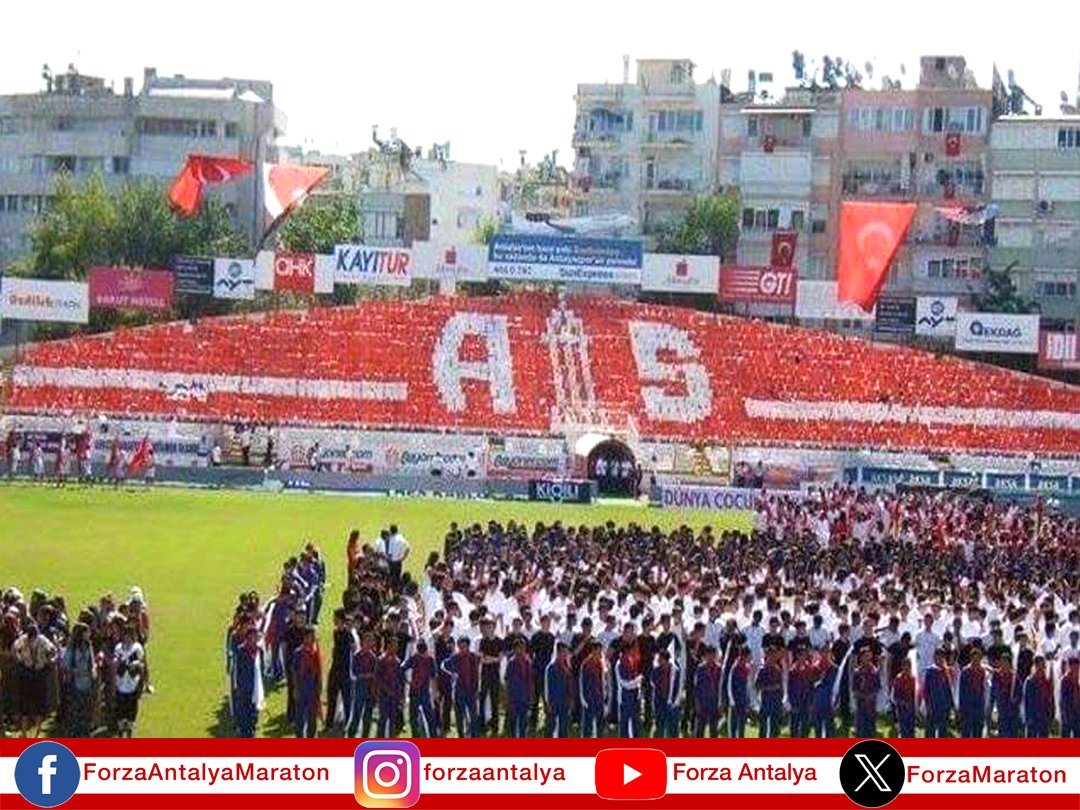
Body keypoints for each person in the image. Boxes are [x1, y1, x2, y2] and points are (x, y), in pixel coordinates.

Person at [12, 623, 57, 737]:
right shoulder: (23, 640)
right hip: (26, 673)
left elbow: (53, 651)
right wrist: (20, 659)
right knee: (24, 704)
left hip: (39, 673)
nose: (32, 639)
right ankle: (23, 732)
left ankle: (37, 733)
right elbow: (14, 649)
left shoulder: (42, 640)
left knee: (39, 704)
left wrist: (49, 661)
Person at [62, 623, 98, 737]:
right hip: (75, 683)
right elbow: (65, 665)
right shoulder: (71, 648)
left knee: (86, 710)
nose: (89, 634)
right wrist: (74, 671)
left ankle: (85, 733)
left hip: (87, 682)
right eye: (87, 632)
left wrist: (93, 670)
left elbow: (92, 662)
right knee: (75, 711)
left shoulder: (88, 646)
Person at [324, 609, 356, 733]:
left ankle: (349, 723)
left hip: (345, 671)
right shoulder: (336, 633)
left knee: (347, 699)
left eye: (335, 618)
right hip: (335, 668)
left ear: (341, 619)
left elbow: (352, 653)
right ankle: (329, 723)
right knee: (331, 696)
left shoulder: (349, 635)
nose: (333, 620)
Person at [443, 637, 480, 738]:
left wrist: (476, 690)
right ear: (458, 647)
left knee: (473, 716)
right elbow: (443, 665)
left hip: (471, 690)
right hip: (459, 690)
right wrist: (451, 673)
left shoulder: (473, 657)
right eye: (461, 646)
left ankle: (474, 736)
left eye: (465, 646)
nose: (463, 648)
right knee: (459, 715)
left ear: (468, 646)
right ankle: (461, 735)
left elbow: (476, 674)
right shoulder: (455, 657)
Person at [229, 625, 263, 738]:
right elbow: (237, 671)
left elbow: (260, 671)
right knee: (244, 714)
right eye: (253, 636)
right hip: (244, 688)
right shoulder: (241, 650)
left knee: (253, 713)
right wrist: (238, 687)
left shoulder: (259, 651)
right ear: (247, 637)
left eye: (256, 636)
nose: (255, 639)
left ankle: (251, 731)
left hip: (255, 688)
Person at [113, 623, 145, 738]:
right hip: (121, 683)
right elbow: (115, 662)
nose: (127, 637)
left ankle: (130, 729)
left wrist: (135, 666)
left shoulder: (137, 647)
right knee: (121, 708)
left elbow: (141, 664)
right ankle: (121, 729)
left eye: (129, 635)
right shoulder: (119, 647)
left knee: (132, 707)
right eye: (125, 635)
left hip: (132, 682)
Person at [290, 626, 323, 738]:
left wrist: (319, 687)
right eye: (311, 636)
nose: (313, 638)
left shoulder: (315, 652)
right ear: (305, 637)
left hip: (312, 689)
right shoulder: (298, 652)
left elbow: (319, 671)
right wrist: (295, 688)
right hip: (301, 688)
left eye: (314, 636)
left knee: (312, 718)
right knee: (299, 718)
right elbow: (294, 672)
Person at [404, 639, 439, 738]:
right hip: (421, 691)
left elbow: (402, 668)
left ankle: (421, 736)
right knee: (428, 717)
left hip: (419, 690)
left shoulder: (416, 658)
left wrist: (408, 681)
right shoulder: (429, 659)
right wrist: (435, 692)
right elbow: (434, 677)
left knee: (418, 717)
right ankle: (431, 736)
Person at [347, 632, 378, 738]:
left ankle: (365, 736)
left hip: (370, 690)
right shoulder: (357, 656)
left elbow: (375, 674)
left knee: (368, 716)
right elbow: (354, 673)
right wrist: (365, 676)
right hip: (360, 689)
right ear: (363, 642)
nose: (369, 644)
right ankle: (351, 734)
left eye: (371, 641)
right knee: (356, 714)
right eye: (367, 641)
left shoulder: (373, 657)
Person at [477, 617, 503, 735]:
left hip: (495, 675)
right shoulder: (483, 641)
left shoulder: (500, 641)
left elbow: (500, 659)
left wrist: (491, 659)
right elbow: (482, 659)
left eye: (490, 627)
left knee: (494, 701)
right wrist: (493, 659)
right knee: (482, 700)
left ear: (494, 628)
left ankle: (495, 726)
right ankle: (481, 725)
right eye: (487, 627)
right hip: (485, 675)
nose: (488, 629)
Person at [374, 636, 404, 738]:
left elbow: (400, 679)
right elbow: (378, 677)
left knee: (392, 720)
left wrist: (401, 695)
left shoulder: (398, 661)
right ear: (388, 645)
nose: (395, 647)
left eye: (397, 645)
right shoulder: (381, 660)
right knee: (382, 719)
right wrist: (386, 690)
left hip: (394, 695)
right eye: (393, 645)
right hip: (384, 694)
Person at [505, 639, 534, 738]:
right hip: (514, 698)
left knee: (523, 724)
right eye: (519, 648)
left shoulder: (527, 662)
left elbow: (530, 681)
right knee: (513, 724)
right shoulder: (511, 663)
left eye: (523, 648)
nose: (521, 650)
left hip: (525, 698)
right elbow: (507, 682)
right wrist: (508, 699)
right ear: (515, 649)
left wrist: (530, 698)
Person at [544, 643, 574, 738]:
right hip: (553, 702)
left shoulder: (567, 668)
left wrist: (571, 699)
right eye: (563, 652)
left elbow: (570, 685)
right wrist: (547, 702)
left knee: (564, 726)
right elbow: (546, 687)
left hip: (564, 701)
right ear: (558, 653)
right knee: (550, 726)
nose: (565, 655)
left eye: (566, 653)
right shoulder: (550, 667)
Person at [990, 654, 1023, 738]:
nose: (1004, 665)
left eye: (1006, 662)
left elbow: (1019, 693)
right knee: (1002, 732)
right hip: (1001, 708)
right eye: (1002, 662)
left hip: (1012, 710)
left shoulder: (1015, 677)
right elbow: (993, 691)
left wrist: (1014, 701)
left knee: (1012, 733)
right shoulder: (996, 675)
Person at [692, 645, 722, 738]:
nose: (711, 658)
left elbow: (722, 687)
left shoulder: (719, 669)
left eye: (713, 655)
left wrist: (722, 703)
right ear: (705, 656)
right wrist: (697, 703)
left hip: (715, 702)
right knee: (700, 729)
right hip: (703, 702)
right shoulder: (701, 669)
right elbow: (696, 687)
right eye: (709, 655)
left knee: (714, 730)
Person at [958, 645, 988, 738]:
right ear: (971, 658)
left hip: (979, 706)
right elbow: (961, 692)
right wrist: (961, 708)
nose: (976, 661)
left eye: (978, 659)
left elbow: (984, 689)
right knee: (966, 732)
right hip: (967, 707)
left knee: (978, 731)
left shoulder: (983, 671)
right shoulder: (965, 671)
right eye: (974, 659)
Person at [923, 648, 954, 738]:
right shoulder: (930, 671)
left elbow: (948, 688)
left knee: (943, 730)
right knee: (930, 730)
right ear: (934, 657)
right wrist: (927, 705)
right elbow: (926, 690)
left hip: (944, 706)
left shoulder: (945, 671)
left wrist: (951, 704)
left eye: (942, 657)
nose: (940, 659)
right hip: (933, 705)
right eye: (938, 656)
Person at [616, 640, 643, 738]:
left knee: (635, 721)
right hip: (624, 698)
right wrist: (637, 681)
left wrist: (638, 687)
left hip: (634, 696)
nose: (631, 653)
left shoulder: (631, 662)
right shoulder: (619, 664)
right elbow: (624, 684)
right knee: (625, 723)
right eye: (628, 651)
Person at [652, 648, 681, 738]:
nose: (658, 661)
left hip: (672, 702)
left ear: (666, 659)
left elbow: (678, 687)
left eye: (660, 659)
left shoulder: (675, 672)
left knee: (673, 727)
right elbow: (654, 684)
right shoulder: (656, 671)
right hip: (660, 701)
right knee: (660, 725)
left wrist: (675, 701)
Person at [579, 642, 607, 738]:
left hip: (599, 698)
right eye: (598, 651)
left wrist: (604, 696)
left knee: (600, 722)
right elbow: (581, 682)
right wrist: (583, 699)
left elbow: (602, 681)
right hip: (589, 699)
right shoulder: (586, 664)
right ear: (593, 651)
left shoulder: (600, 663)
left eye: (601, 651)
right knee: (587, 723)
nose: (600, 653)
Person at [852, 646, 880, 738]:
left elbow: (877, 688)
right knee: (860, 731)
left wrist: (871, 696)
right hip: (861, 705)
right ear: (861, 657)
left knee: (871, 730)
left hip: (871, 706)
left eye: (869, 655)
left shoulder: (874, 671)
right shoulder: (857, 672)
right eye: (865, 656)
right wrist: (864, 697)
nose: (867, 658)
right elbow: (854, 690)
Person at [755, 648, 783, 738]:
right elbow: (757, 686)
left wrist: (781, 702)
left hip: (775, 703)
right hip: (765, 702)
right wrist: (769, 688)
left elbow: (780, 687)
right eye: (770, 655)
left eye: (773, 656)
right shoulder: (762, 670)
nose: (771, 658)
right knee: (763, 728)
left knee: (774, 728)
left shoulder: (777, 670)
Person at [1023, 656, 1053, 738]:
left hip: (1044, 718)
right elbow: (1027, 702)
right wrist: (1028, 719)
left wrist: (1050, 715)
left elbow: (1049, 700)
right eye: (1039, 665)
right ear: (1035, 666)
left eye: (1043, 666)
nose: (1041, 668)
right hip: (1032, 719)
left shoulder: (1046, 682)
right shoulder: (1029, 681)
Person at [890, 657, 917, 738]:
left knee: (911, 727)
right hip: (901, 707)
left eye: (908, 666)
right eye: (905, 665)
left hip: (911, 707)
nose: (906, 668)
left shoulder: (913, 678)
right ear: (902, 667)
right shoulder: (898, 678)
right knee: (903, 727)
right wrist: (902, 703)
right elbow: (895, 695)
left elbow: (914, 693)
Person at [1060, 657, 1080, 739]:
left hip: (1077, 715)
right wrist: (1064, 716)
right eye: (1075, 667)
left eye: (1078, 667)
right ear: (1070, 667)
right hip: (1067, 715)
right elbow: (1063, 700)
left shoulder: (1078, 680)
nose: (1077, 669)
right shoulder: (1065, 680)